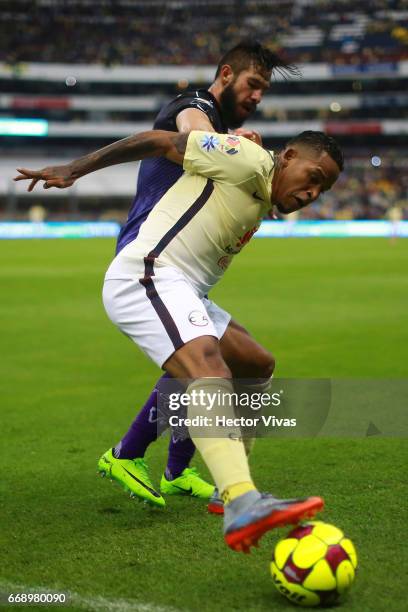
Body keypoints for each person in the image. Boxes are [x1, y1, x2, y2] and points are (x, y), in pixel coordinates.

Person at [14, 125, 343, 552]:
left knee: (256, 364)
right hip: (146, 276)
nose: (313, 193)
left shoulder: (260, 181)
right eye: (313, 177)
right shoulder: (248, 159)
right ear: (289, 156)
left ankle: (234, 491)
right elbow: (159, 140)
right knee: (210, 369)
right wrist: (75, 168)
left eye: (324, 189)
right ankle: (243, 500)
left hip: (186, 290)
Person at [84, 40, 298, 512]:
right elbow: (190, 131)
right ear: (225, 74)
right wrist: (235, 145)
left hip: (183, 270)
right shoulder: (196, 105)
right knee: (202, 362)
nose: (258, 96)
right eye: (253, 84)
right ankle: (130, 455)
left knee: (245, 360)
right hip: (153, 257)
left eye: (264, 89)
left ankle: (177, 471)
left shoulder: (229, 134)